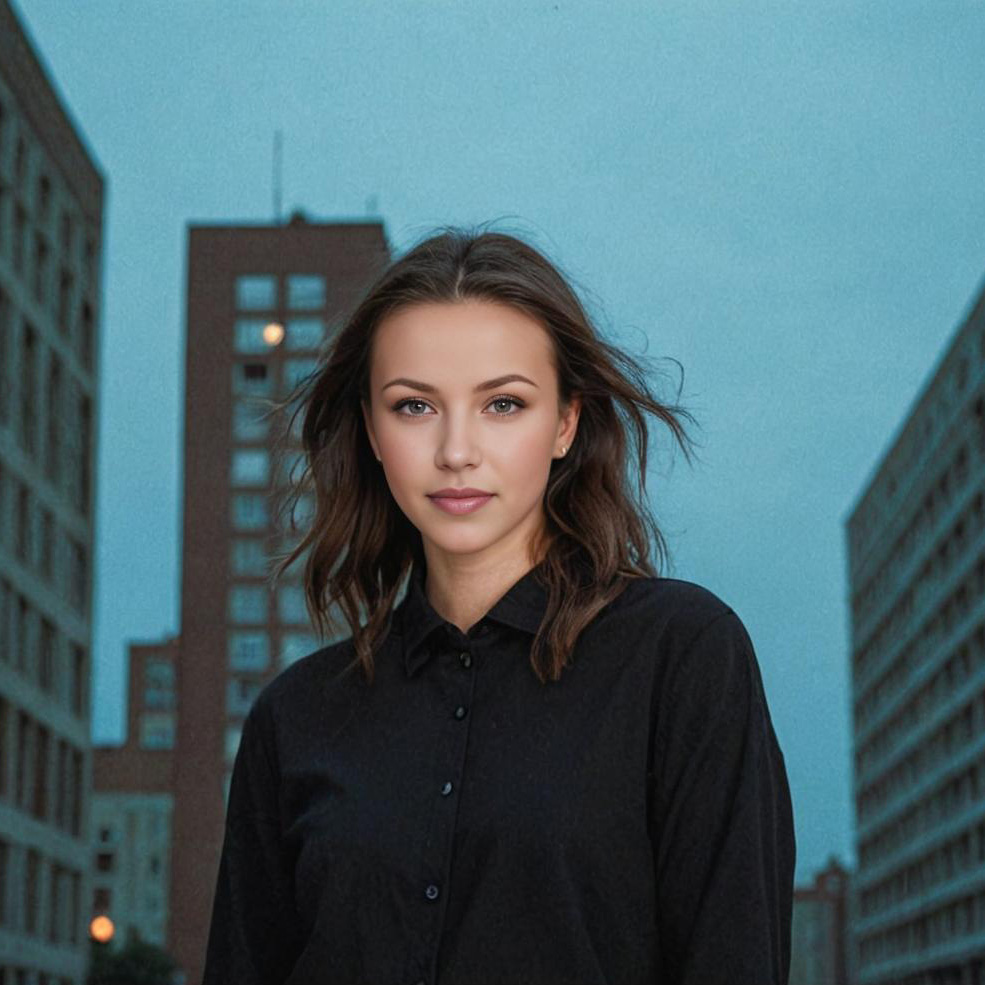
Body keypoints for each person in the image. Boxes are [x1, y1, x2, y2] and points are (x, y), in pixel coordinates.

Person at [202, 225, 796, 984]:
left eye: (503, 404)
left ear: (565, 422)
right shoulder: (294, 716)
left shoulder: (681, 656)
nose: (456, 450)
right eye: (414, 406)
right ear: (372, 431)